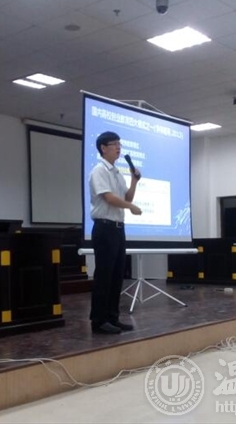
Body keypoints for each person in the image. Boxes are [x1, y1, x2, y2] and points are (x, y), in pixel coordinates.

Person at [89, 131, 142, 334]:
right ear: (103, 148)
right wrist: (131, 207)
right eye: (114, 144)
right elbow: (110, 198)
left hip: (118, 229)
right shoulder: (99, 171)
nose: (118, 147)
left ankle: (113, 317)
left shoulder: (117, 173)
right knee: (104, 276)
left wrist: (134, 181)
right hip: (104, 228)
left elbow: (126, 197)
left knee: (117, 276)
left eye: (120, 144)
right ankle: (98, 321)